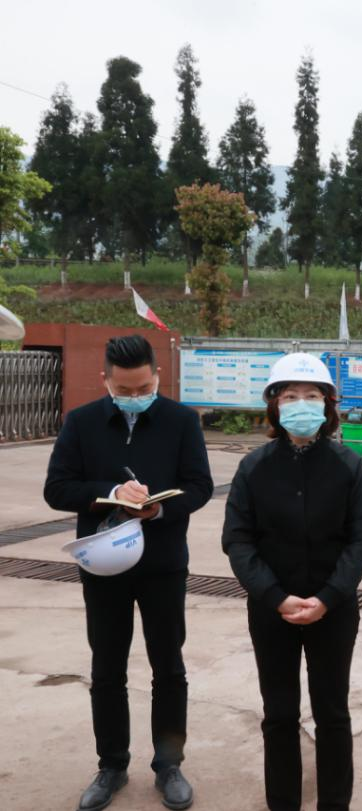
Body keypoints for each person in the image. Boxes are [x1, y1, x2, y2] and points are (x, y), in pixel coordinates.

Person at [44, 334, 214, 811]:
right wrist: (111, 493)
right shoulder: (81, 423)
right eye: (124, 389)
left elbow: (199, 485)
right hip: (103, 565)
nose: (135, 396)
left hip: (163, 564)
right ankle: (112, 765)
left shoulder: (181, 421)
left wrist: (159, 508)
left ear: (157, 376)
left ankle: (169, 764)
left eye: (144, 388)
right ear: (106, 381)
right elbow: (57, 489)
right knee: (107, 668)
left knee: (169, 667)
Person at [222, 353, 362, 811]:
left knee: (333, 713)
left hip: (335, 610)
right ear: (274, 405)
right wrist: (275, 596)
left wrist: (329, 597)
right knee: (279, 715)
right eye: (290, 396)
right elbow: (237, 540)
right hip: (272, 611)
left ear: (329, 405)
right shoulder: (253, 467)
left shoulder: (349, 466)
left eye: (312, 396)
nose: (301, 404)